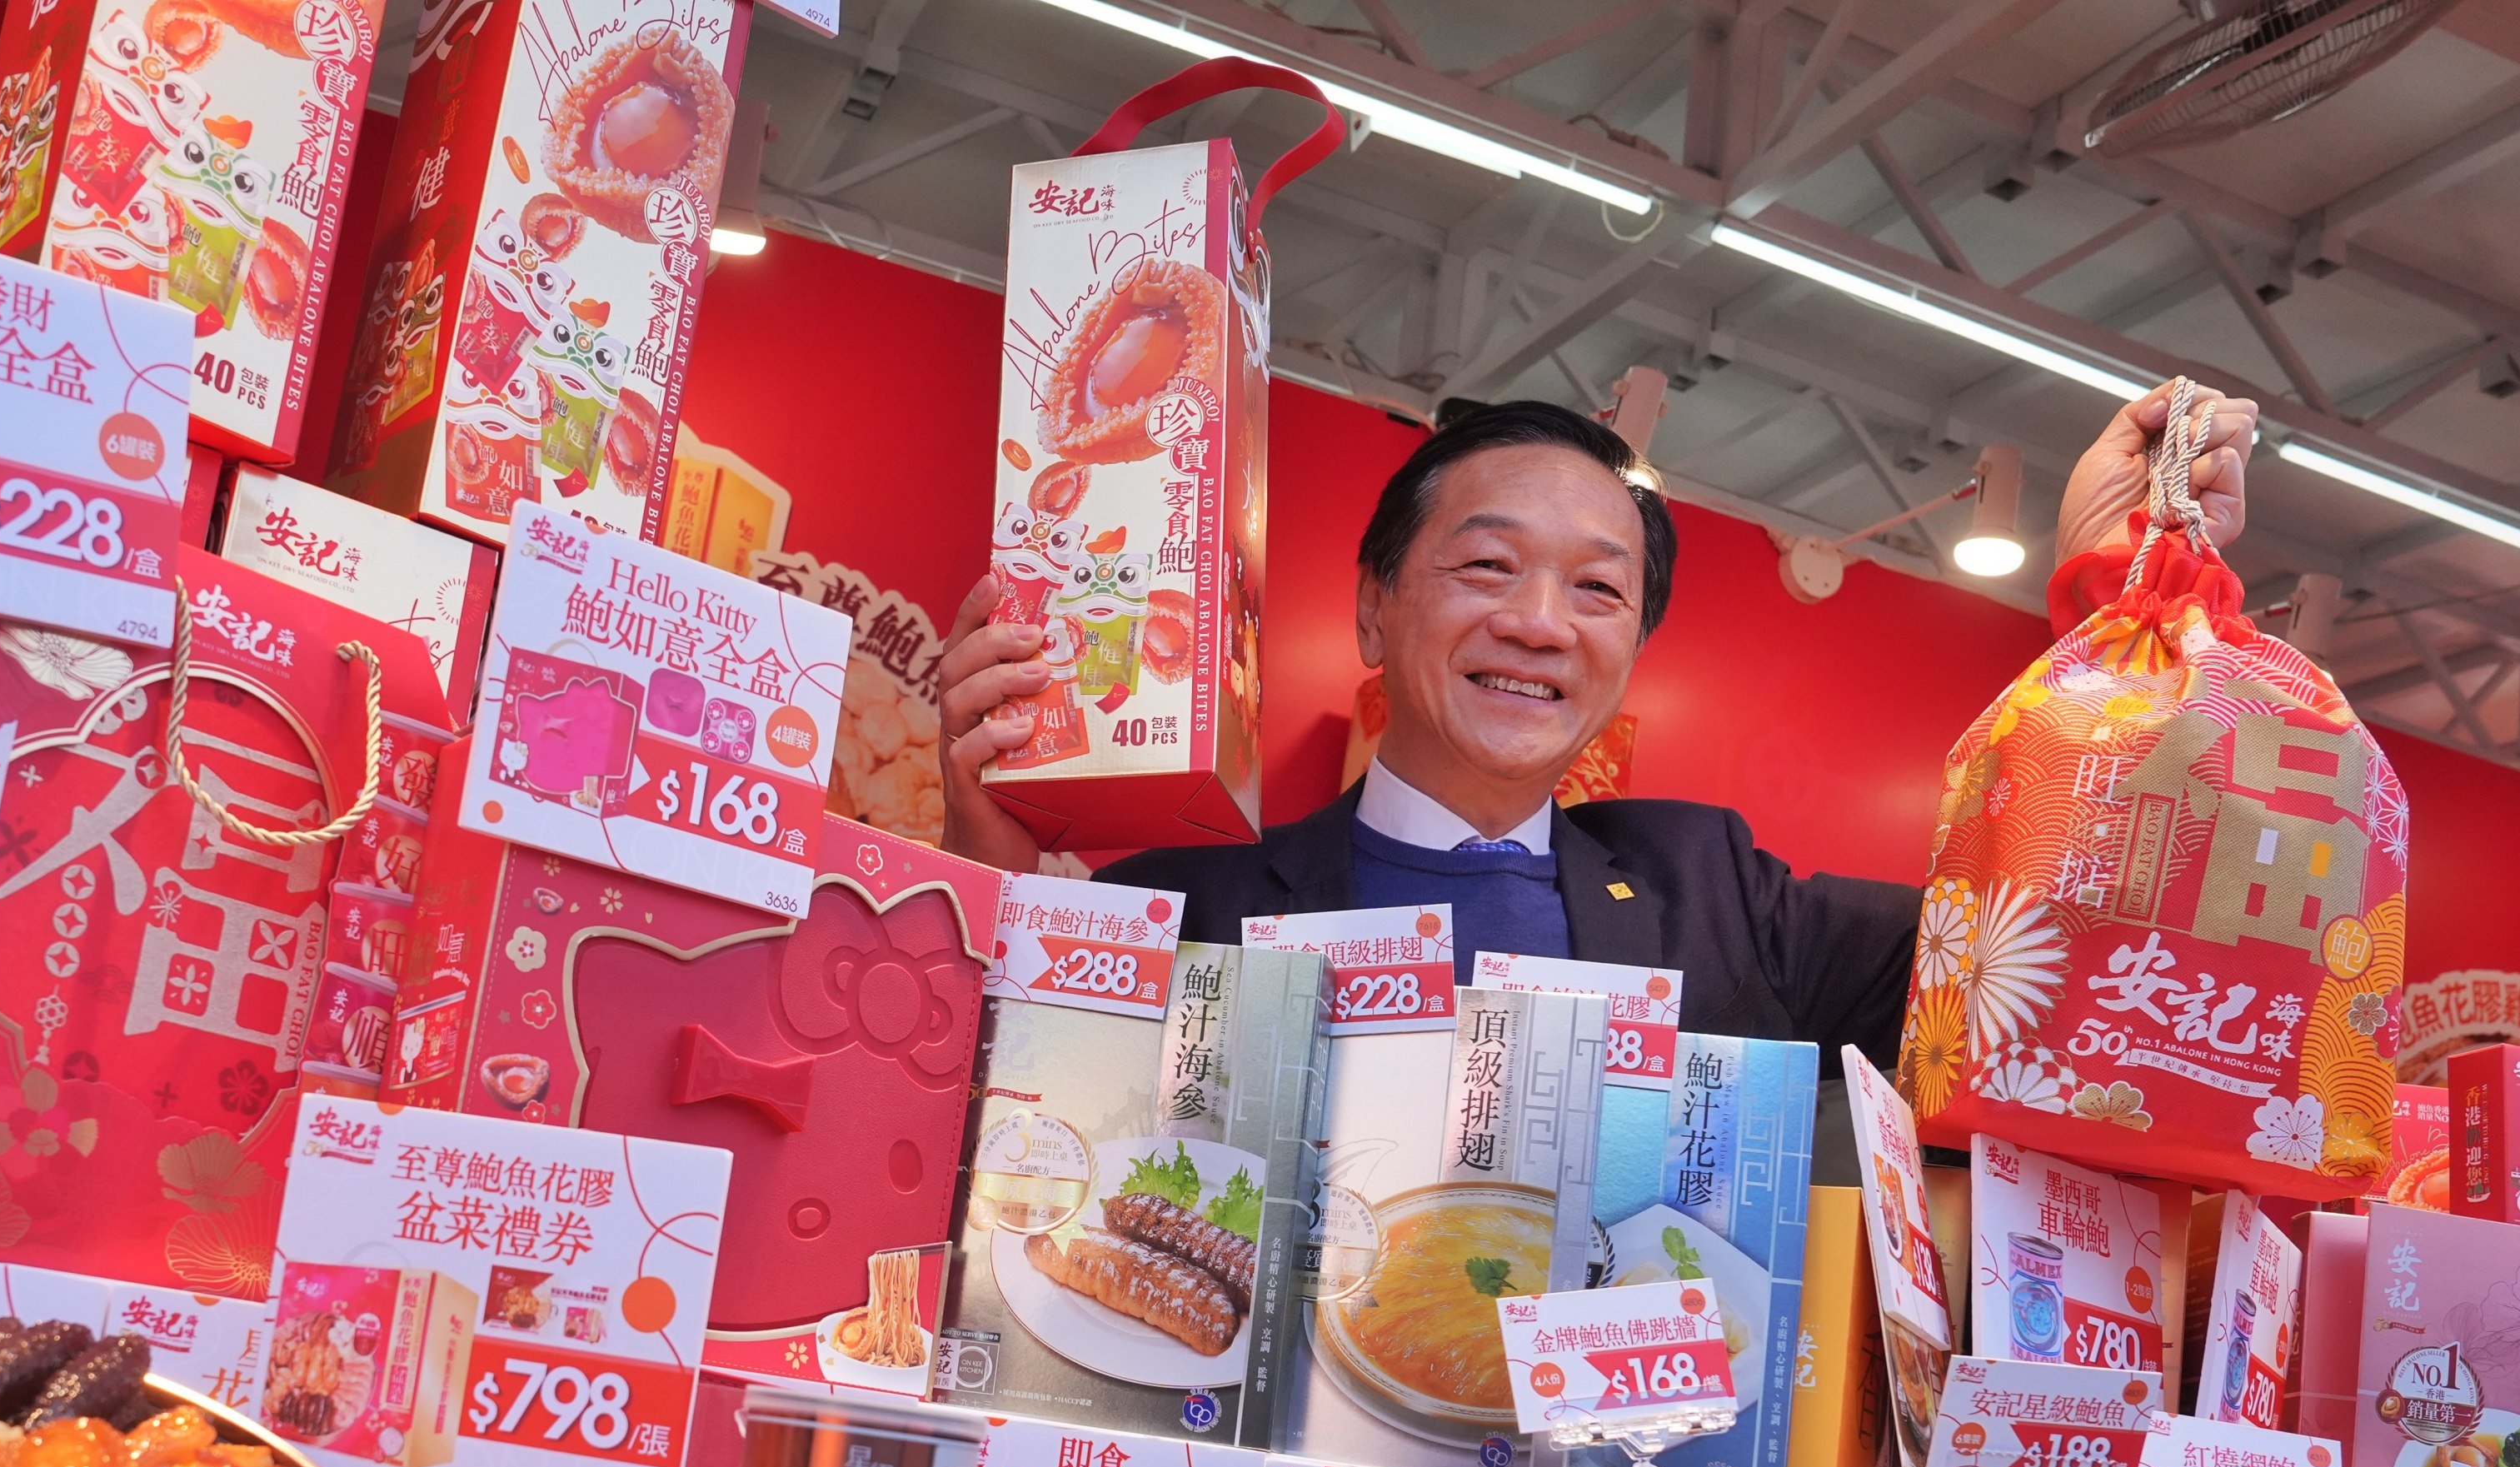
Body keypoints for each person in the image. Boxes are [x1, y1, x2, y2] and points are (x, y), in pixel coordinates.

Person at [934, 382, 2260, 1069]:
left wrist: (2123, 600)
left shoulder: (1723, 898)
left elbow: (2078, 957)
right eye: (1486, 567)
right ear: (1372, 609)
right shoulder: (1188, 901)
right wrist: (983, 858)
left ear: (1632, 650)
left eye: (1599, 591)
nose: (1540, 623)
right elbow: (992, 1121)